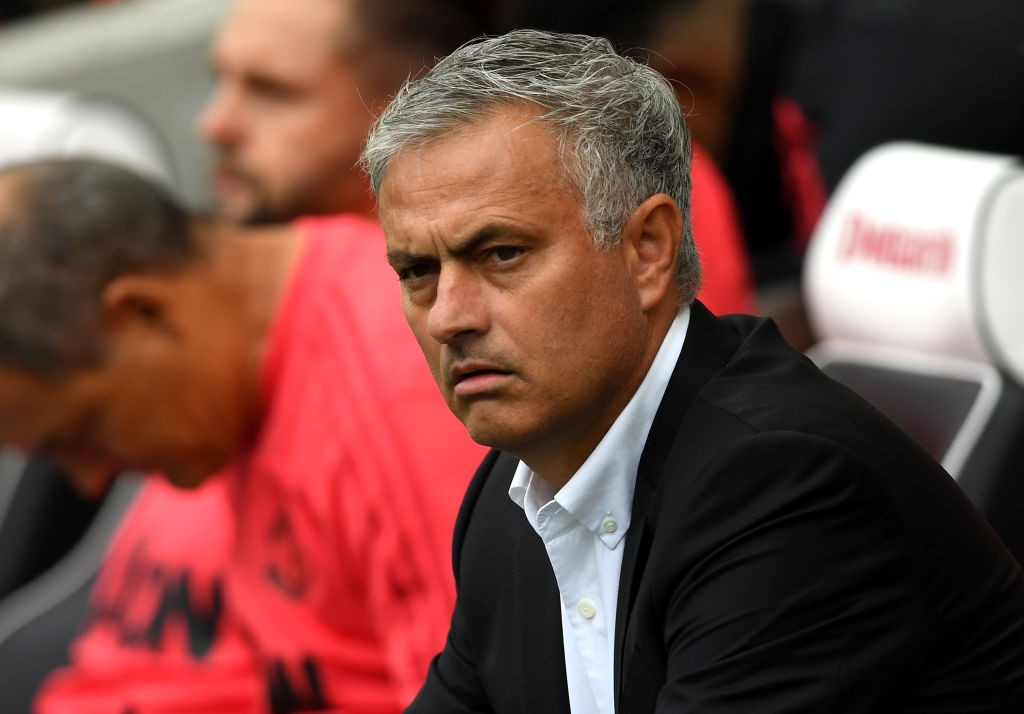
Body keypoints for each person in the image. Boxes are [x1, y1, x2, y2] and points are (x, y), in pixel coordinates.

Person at [362, 29, 1024, 712]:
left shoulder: (781, 485)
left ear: (648, 249)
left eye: (502, 254)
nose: (448, 317)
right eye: (417, 272)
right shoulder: (511, 498)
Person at [0, 157, 486, 713]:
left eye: (82, 435)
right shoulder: (229, 391)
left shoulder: (395, 393)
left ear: (140, 313)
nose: (90, 481)